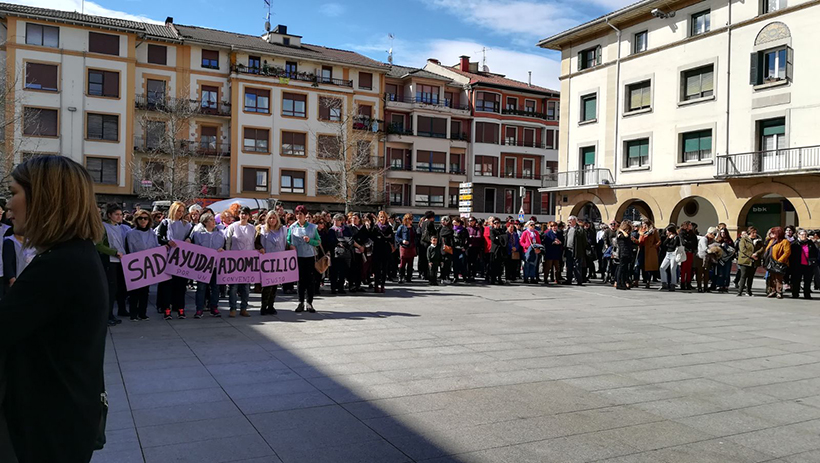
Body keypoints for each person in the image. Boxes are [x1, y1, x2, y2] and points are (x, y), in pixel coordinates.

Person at [0, 155, 107, 463]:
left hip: (48, 426)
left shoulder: (59, 265)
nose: (8, 204)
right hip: (66, 417)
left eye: (14, 192)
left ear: (44, 199)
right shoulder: (76, 255)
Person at [155, 201, 193, 320]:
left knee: (180, 284)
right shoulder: (165, 223)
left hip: (182, 258)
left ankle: (179, 307)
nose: (180, 213)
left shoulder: (187, 225)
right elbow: (158, 237)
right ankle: (165, 307)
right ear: (173, 211)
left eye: (182, 211)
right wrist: (167, 242)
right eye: (178, 211)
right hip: (168, 257)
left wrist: (189, 239)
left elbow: (192, 237)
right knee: (167, 284)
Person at [124, 210, 161, 321]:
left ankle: (142, 313)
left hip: (148, 264)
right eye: (140, 218)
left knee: (145, 291)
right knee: (134, 291)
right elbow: (128, 248)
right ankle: (133, 313)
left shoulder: (152, 233)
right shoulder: (130, 233)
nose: (143, 220)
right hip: (135, 264)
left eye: (146, 218)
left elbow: (156, 246)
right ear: (136, 220)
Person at [96, 203, 129, 324]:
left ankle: (121, 309)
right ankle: (108, 315)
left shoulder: (122, 227)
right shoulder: (103, 227)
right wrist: (114, 252)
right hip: (110, 260)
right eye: (116, 214)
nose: (119, 217)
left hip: (121, 260)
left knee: (121, 286)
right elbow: (98, 245)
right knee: (111, 288)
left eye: (121, 214)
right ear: (109, 215)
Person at [187, 212, 225, 318]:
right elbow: (195, 248)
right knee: (201, 287)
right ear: (205, 222)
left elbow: (224, 246)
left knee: (215, 288)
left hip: (216, 265)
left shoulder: (221, 233)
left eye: (214, 220)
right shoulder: (198, 234)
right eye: (211, 220)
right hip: (203, 266)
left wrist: (222, 250)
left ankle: (214, 308)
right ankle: (199, 309)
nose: (214, 222)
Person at [288, 205, 320, 312]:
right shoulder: (292, 227)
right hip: (298, 257)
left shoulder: (312, 227)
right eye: (297, 214)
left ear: (305, 215)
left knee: (310, 280)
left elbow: (318, 242)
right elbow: (288, 240)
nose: (298, 216)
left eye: (300, 214)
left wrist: (310, 240)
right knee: (300, 281)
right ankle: (300, 302)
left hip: (309, 256)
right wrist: (290, 245)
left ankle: (309, 302)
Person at [225, 207, 256, 317]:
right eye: (242, 213)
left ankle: (244, 308)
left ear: (249, 216)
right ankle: (233, 308)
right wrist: (227, 256)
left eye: (246, 214)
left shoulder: (252, 228)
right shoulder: (232, 227)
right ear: (239, 215)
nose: (244, 216)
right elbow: (228, 242)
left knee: (246, 287)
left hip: (247, 261)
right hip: (234, 261)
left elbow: (254, 243)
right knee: (233, 287)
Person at [255, 212, 286, 314]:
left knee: (275, 285)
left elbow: (285, 242)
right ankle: (264, 306)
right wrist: (260, 248)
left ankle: (271, 306)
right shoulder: (261, 229)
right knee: (267, 285)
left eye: (274, 218)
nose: (272, 220)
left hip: (278, 260)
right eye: (270, 218)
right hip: (266, 261)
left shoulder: (282, 230)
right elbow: (256, 243)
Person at [329, 214, 353, 294]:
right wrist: (337, 243)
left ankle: (341, 287)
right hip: (335, 252)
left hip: (345, 252)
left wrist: (347, 244)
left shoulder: (346, 229)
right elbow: (330, 240)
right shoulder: (331, 230)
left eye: (337, 220)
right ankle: (333, 288)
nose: (335, 222)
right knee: (334, 271)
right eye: (334, 220)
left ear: (341, 221)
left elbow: (350, 239)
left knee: (343, 270)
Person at [790, 229, 817, 299]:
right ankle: (795, 293)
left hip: (808, 265)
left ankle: (807, 294)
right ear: (798, 235)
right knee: (796, 280)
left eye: (805, 234)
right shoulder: (794, 244)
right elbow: (791, 255)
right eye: (802, 234)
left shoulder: (810, 243)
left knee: (808, 280)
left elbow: (815, 252)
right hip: (797, 265)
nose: (804, 236)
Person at [764, 227, 790, 299]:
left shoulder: (785, 242)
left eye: (773, 233)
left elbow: (787, 252)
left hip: (779, 263)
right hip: (771, 262)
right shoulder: (772, 241)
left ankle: (779, 292)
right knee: (771, 278)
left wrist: (780, 260)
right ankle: (773, 291)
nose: (771, 234)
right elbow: (767, 250)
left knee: (778, 278)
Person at [736, 226, 763, 297]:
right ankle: (740, 291)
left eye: (755, 232)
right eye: (753, 233)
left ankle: (748, 291)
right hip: (745, 260)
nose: (755, 234)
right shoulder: (744, 240)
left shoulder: (758, 240)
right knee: (743, 276)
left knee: (751, 277)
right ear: (749, 233)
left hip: (754, 261)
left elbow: (762, 248)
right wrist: (751, 255)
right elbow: (743, 249)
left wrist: (756, 253)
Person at [372, 211, 394, 293]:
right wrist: (385, 238)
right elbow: (373, 237)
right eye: (381, 217)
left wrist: (384, 238)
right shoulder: (375, 227)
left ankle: (382, 285)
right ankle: (376, 285)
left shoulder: (389, 227)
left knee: (384, 269)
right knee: (377, 269)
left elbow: (391, 238)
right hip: (377, 249)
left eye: (383, 217)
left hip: (386, 250)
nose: (382, 218)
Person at [563, 216, 587, 286]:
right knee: (569, 266)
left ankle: (579, 280)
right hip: (568, 250)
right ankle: (569, 280)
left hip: (577, 250)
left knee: (577, 266)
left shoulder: (580, 229)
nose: (569, 221)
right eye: (568, 220)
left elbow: (584, 241)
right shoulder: (568, 229)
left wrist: (582, 250)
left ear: (575, 221)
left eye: (570, 220)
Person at [395, 214, 416, 283]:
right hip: (404, 247)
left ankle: (409, 277)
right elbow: (397, 236)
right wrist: (402, 241)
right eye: (409, 219)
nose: (410, 221)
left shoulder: (413, 228)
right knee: (402, 263)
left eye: (411, 219)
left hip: (411, 247)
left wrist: (414, 243)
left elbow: (415, 237)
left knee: (410, 263)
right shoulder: (401, 227)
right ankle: (401, 277)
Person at [659, 226, 681, 291]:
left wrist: (668, 245)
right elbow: (663, 244)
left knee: (672, 269)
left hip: (674, 254)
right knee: (662, 268)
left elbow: (674, 246)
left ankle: (673, 284)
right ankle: (664, 283)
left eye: (667, 231)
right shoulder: (668, 237)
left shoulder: (676, 237)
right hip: (668, 254)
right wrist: (668, 239)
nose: (666, 232)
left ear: (671, 231)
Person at [615, 221, 635, 290]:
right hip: (623, 253)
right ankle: (619, 283)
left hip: (626, 253)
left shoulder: (623, 234)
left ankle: (623, 283)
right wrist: (621, 230)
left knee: (625, 269)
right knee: (621, 269)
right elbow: (626, 236)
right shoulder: (621, 235)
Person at [697, 227, 717, 292]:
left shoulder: (712, 240)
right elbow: (704, 248)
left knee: (706, 273)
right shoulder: (704, 239)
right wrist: (712, 250)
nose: (715, 236)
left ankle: (706, 287)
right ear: (710, 233)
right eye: (714, 234)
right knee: (700, 273)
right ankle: (699, 287)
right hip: (701, 257)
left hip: (708, 258)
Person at [490, 218, 508, 285]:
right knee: (493, 265)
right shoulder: (492, 230)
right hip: (494, 250)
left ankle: (499, 278)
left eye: (498, 223)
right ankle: (493, 279)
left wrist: (499, 238)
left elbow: (505, 238)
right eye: (495, 223)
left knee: (500, 265)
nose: (497, 224)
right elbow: (493, 239)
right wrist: (500, 238)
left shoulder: (502, 230)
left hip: (501, 250)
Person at [438, 216, 455, 283]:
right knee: (448, 264)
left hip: (441, 248)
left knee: (442, 264)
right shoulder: (450, 230)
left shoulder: (440, 230)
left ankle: (442, 277)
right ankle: (446, 277)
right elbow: (451, 242)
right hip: (448, 249)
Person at [452, 217, 469, 284]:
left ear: (459, 222)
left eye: (455, 222)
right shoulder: (452, 230)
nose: (454, 223)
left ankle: (464, 276)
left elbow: (467, 239)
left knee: (463, 263)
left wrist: (465, 247)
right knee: (455, 263)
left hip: (462, 248)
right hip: (455, 248)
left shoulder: (464, 230)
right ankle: (455, 277)